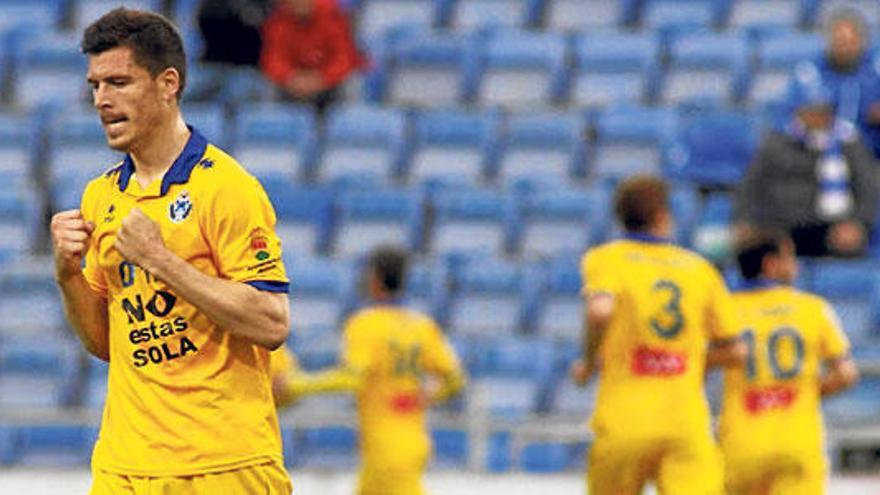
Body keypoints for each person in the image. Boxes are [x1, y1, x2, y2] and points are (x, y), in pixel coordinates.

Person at [50, 8, 292, 494]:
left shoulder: (226, 188)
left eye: (119, 82)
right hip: (125, 465)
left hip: (224, 465)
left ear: (167, 84)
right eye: (96, 85)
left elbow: (271, 322)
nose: (103, 100)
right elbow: (107, 344)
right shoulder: (101, 198)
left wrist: (161, 261)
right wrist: (67, 276)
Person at [570, 175, 745, 495]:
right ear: (662, 217)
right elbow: (736, 352)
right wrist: (689, 359)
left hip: (625, 419)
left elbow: (600, 311)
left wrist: (588, 359)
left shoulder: (607, 258)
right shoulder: (699, 268)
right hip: (684, 421)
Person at [273, 245, 466, 495]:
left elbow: (352, 378)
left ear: (375, 278)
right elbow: (455, 380)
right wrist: (427, 396)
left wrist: (296, 384)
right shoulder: (422, 326)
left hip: (385, 447)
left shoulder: (366, 324)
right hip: (411, 442)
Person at [718, 231, 859, 494]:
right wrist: (802, 393)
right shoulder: (813, 309)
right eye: (790, 257)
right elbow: (846, 374)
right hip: (797, 443)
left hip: (741, 442)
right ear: (771, 264)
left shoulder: (726, 309)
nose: (795, 265)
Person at [735, 70, 878, 258]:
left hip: (833, 228)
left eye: (823, 111)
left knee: (848, 249)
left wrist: (858, 223)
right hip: (781, 227)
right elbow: (751, 186)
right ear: (799, 112)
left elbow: (868, 188)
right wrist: (746, 222)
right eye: (812, 111)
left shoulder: (849, 143)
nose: (818, 117)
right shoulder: (776, 142)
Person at [796, 8, 880, 158]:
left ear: (862, 41)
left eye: (850, 41)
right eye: (839, 41)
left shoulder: (875, 68)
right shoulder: (809, 72)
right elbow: (788, 119)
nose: (844, 48)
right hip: (819, 156)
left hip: (871, 156)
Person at [260, 0, 365, 113]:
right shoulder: (279, 20)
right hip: (292, 84)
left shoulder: (332, 17)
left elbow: (343, 57)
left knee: (352, 82)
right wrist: (291, 77)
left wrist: (322, 78)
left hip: (326, 84)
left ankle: (348, 125)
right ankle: (273, 124)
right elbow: (272, 58)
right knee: (267, 84)